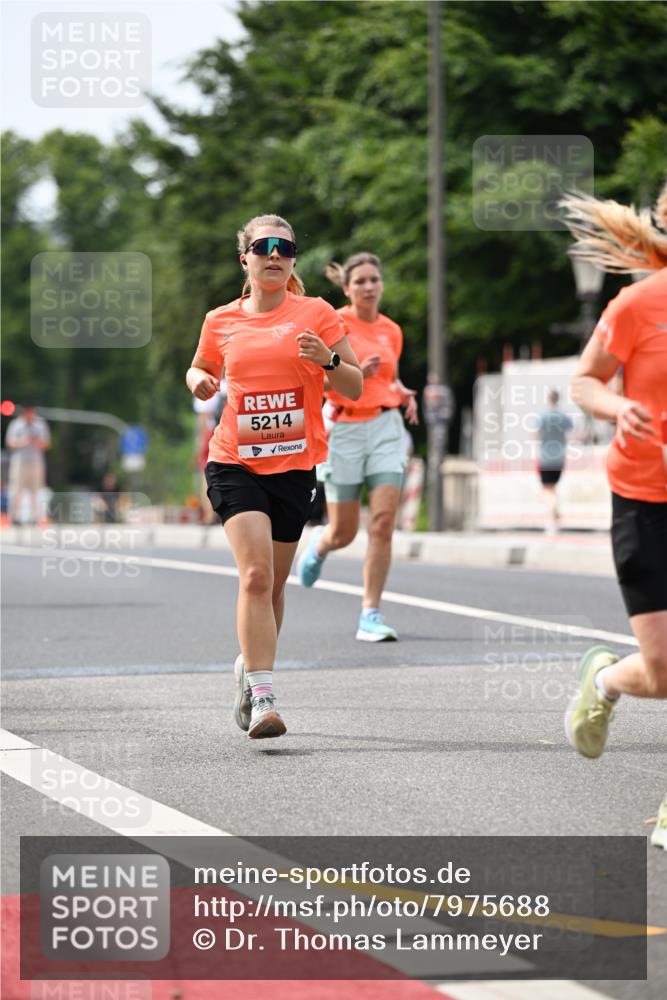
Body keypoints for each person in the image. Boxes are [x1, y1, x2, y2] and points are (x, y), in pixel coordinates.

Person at [186, 215, 362, 739]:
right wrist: (199, 381)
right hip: (234, 461)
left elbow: (353, 386)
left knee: (275, 586)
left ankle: (247, 667)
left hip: (294, 466)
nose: (273, 254)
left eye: (283, 247)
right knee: (256, 576)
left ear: (292, 259)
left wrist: (327, 359)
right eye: (262, 246)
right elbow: (199, 366)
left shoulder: (317, 313)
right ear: (245, 258)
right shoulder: (221, 319)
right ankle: (264, 697)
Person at [561, 182, 667, 850]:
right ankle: (602, 678)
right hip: (643, 497)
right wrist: (613, 408)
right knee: (661, 671)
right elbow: (584, 380)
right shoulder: (637, 303)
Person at [297, 253, 418, 641]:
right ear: (347, 288)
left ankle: (370, 613)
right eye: (360, 281)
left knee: (382, 524)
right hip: (344, 428)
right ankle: (320, 543)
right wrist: (352, 374)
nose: (369, 286)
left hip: (386, 426)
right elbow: (315, 382)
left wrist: (402, 392)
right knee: (345, 531)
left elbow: (390, 379)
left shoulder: (392, 331)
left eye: (374, 279)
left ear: (381, 284)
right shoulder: (334, 322)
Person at [5, 404, 51, 525]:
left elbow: (47, 444)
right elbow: (10, 443)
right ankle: (14, 517)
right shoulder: (15, 424)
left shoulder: (40, 425)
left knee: (36, 490)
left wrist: (36, 442)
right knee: (16, 489)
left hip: (36, 461)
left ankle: (35, 517)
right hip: (19, 461)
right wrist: (24, 441)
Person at [536, 388, 573, 532]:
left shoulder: (542, 416)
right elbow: (570, 434)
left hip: (546, 457)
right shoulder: (564, 417)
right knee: (553, 488)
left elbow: (535, 434)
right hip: (560, 457)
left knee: (546, 489)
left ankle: (553, 517)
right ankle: (555, 514)